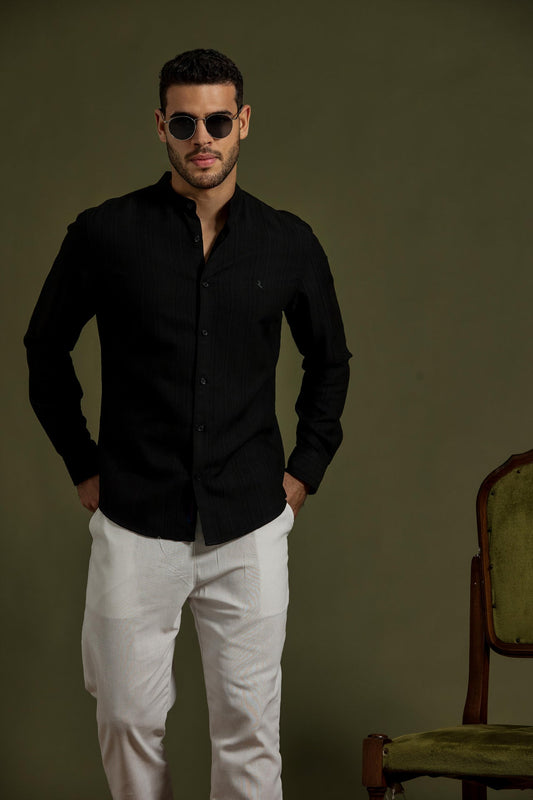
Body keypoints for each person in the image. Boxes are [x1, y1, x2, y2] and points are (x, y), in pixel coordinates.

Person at [24, 48, 351, 800]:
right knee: (127, 719)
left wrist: (303, 472)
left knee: (249, 729)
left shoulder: (288, 242)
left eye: (216, 121)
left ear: (243, 122)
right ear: (161, 126)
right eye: (184, 123)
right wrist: (82, 463)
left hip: (249, 522)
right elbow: (45, 348)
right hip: (135, 516)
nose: (201, 138)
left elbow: (330, 361)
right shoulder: (105, 234)